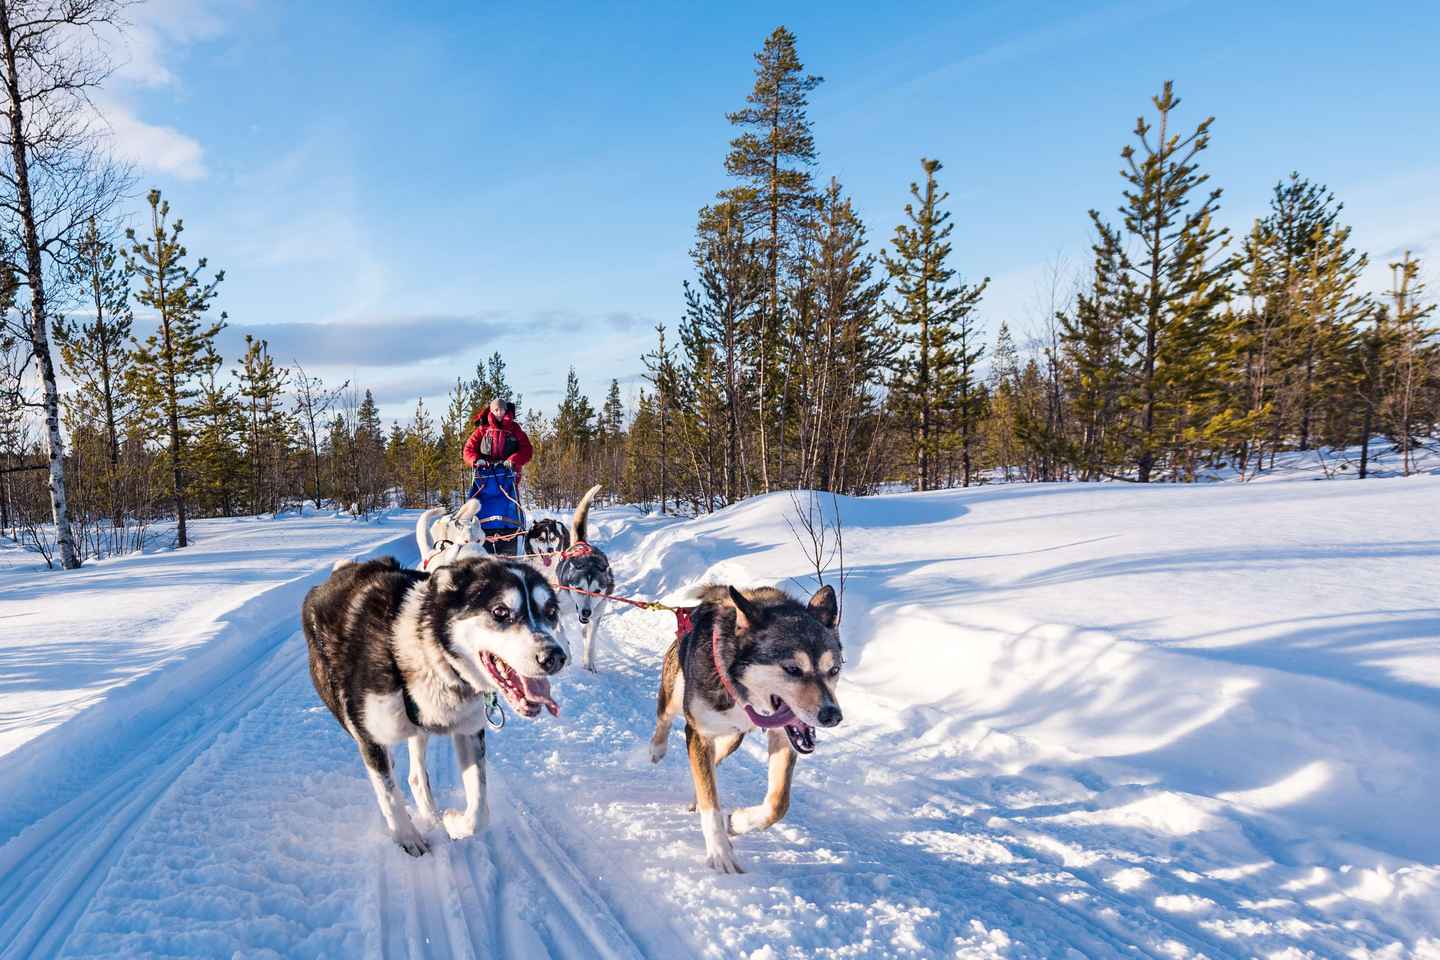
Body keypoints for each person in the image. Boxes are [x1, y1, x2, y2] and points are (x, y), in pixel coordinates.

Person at [463, 397, 532, 556]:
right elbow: (468, 450)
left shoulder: (514, 429)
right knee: (480, 504)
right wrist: (476, 460)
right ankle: (479, 532)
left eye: (501, 410)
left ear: (506, 410)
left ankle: (510, 533)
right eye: (496, 410)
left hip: (508, 474)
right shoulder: (482, 429)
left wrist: (514, 460)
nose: (499, 413)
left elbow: (527, 450)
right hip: (485, 476)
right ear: (491, 411)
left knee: (508, 502)